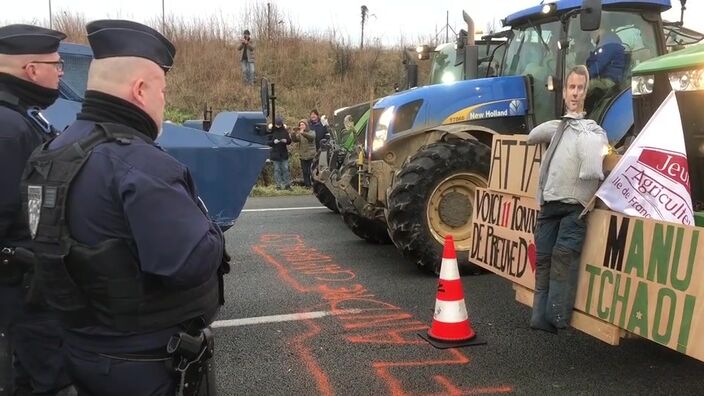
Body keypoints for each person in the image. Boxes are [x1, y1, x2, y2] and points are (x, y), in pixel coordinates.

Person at [21, 20, 229, 395]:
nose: (163, 101)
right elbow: (190, 262)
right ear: (140, 89)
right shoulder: (142, 165)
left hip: (81, 349)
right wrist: (208, 227)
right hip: (146, 363)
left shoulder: (50, 153)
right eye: (162, 91)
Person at [0, 24, 74, 395]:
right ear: (32, 69)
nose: (61, 73)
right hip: (25, 287)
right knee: (52, 379)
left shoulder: (20, 115)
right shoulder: (9, 128)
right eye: (57, 65)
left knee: (29, 380)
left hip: (30, 284)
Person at [526, 65, 608, 332]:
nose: (575, 93)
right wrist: (562, 125)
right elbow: (532, 136)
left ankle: (557, 319)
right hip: (549, 205)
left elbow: (593, 165)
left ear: (586, 92)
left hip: (575, 209)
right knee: (544, 260)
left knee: (563, 260)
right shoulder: (558, 128)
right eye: (571, 87)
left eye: (580, 88)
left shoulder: (594, 131)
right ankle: (539, 318)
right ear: (564, 92)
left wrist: (578, 125)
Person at [586, 28, 626, 92]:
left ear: (602, 29)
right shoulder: (606, 45)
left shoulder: (610, 44)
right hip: (607, 78)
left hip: (611, 81)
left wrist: (584, 74)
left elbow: (598, 66)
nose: (591, 35)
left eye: (593, 32)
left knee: (582, 87)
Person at [268, 116, 292, 190]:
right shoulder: (271, 131)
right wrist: (273, 142)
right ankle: (278, 185)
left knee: (285, 169)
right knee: (277, 170)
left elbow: (289, 141)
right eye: (277, 124)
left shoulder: (285, 131)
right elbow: (267, 142)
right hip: (275, 153)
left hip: (283, 153)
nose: (278, 126)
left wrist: (286, 141)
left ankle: (287, 185)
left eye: (279, 124)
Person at [291, 119, 316, 188]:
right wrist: (293, 133)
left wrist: (303, 133)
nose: (301, 126)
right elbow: (295, 140)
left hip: (311, 155)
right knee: (305, 171)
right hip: (303, 155)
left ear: (306, 125)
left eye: (302, 124)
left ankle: (313, 184)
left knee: (311, 171)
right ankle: (307, 185)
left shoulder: (312, 132)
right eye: (300, 125)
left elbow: (311, 138)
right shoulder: (300, 134)